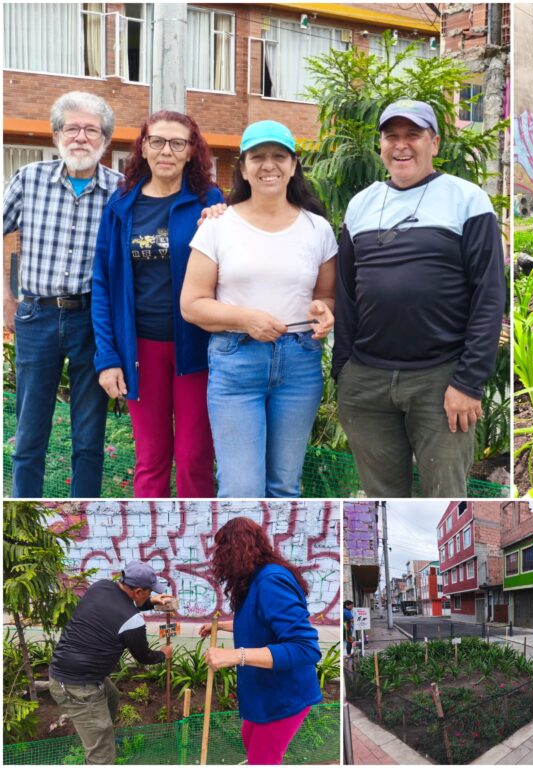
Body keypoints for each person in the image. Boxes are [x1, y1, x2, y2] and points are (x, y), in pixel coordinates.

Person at [332, 99, 506, 497]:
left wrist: (468, 382)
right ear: (381, 145)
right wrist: (344, 370)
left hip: (440, 382)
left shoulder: (466, 199)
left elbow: (489, 294)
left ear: (435, 143)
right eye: (391, 136)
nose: (401, 145)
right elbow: (345, 292)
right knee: (383, 499)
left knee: (443, 497)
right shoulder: (361, 205)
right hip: (366, 383)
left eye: (413, 134)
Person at [180, 120, 336, 497]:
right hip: (236, 361)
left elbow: (327, 297)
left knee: (285, 486)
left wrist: (325, 310)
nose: (269, 165)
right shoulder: (218, 226)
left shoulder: (318, 229)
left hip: (300, 363)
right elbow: (192, 305)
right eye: (258, 157)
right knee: (240, 488)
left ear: (293, 165)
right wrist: (245, 319)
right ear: (244, 168)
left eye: (279, 156)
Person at [91, 112, 224, 497]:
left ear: (190, 152)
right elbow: (103, 282)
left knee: (194, 456)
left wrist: (222, 219)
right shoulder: (121, 205)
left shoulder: (208, 201)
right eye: (157, 141)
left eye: (177, 143)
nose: (167, 150)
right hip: (140, 350)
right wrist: (108, 358)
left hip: (195, 348)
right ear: (144, 148)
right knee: (151, 458)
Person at [2, 91, 121, 496]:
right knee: (29, 431)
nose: (81, 138)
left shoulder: (120, 191)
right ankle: (24, 516)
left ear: (105, 139)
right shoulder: (29, 179)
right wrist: (4, 294)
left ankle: (81, 516)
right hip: (37, 316)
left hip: (93, 320)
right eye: (72, 128)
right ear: (56, 135)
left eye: (92, 130)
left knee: (89, 437)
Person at [199, 516, 322, 765]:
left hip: (284, 696)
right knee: (250, 741)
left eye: (222, 549)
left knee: (262, 759)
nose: (217, 557)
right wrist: (223, 626)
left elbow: (305, 648)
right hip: (265, 694)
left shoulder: (270, 581)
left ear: (236, 549)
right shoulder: (253, 579)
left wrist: (235, 655)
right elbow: (262, 621)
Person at [48, 562, 174, 764]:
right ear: (139, 591)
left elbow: (119, 605)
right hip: (77, 687)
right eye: (150, 591)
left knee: (112, 696)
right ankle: (100, 749)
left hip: (71, 671)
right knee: (102, 757)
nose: (152, 594)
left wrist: (152, 601)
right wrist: (163, 654)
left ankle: (100, 733)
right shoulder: (132, 621)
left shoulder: (101, 587)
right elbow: (144, 657)